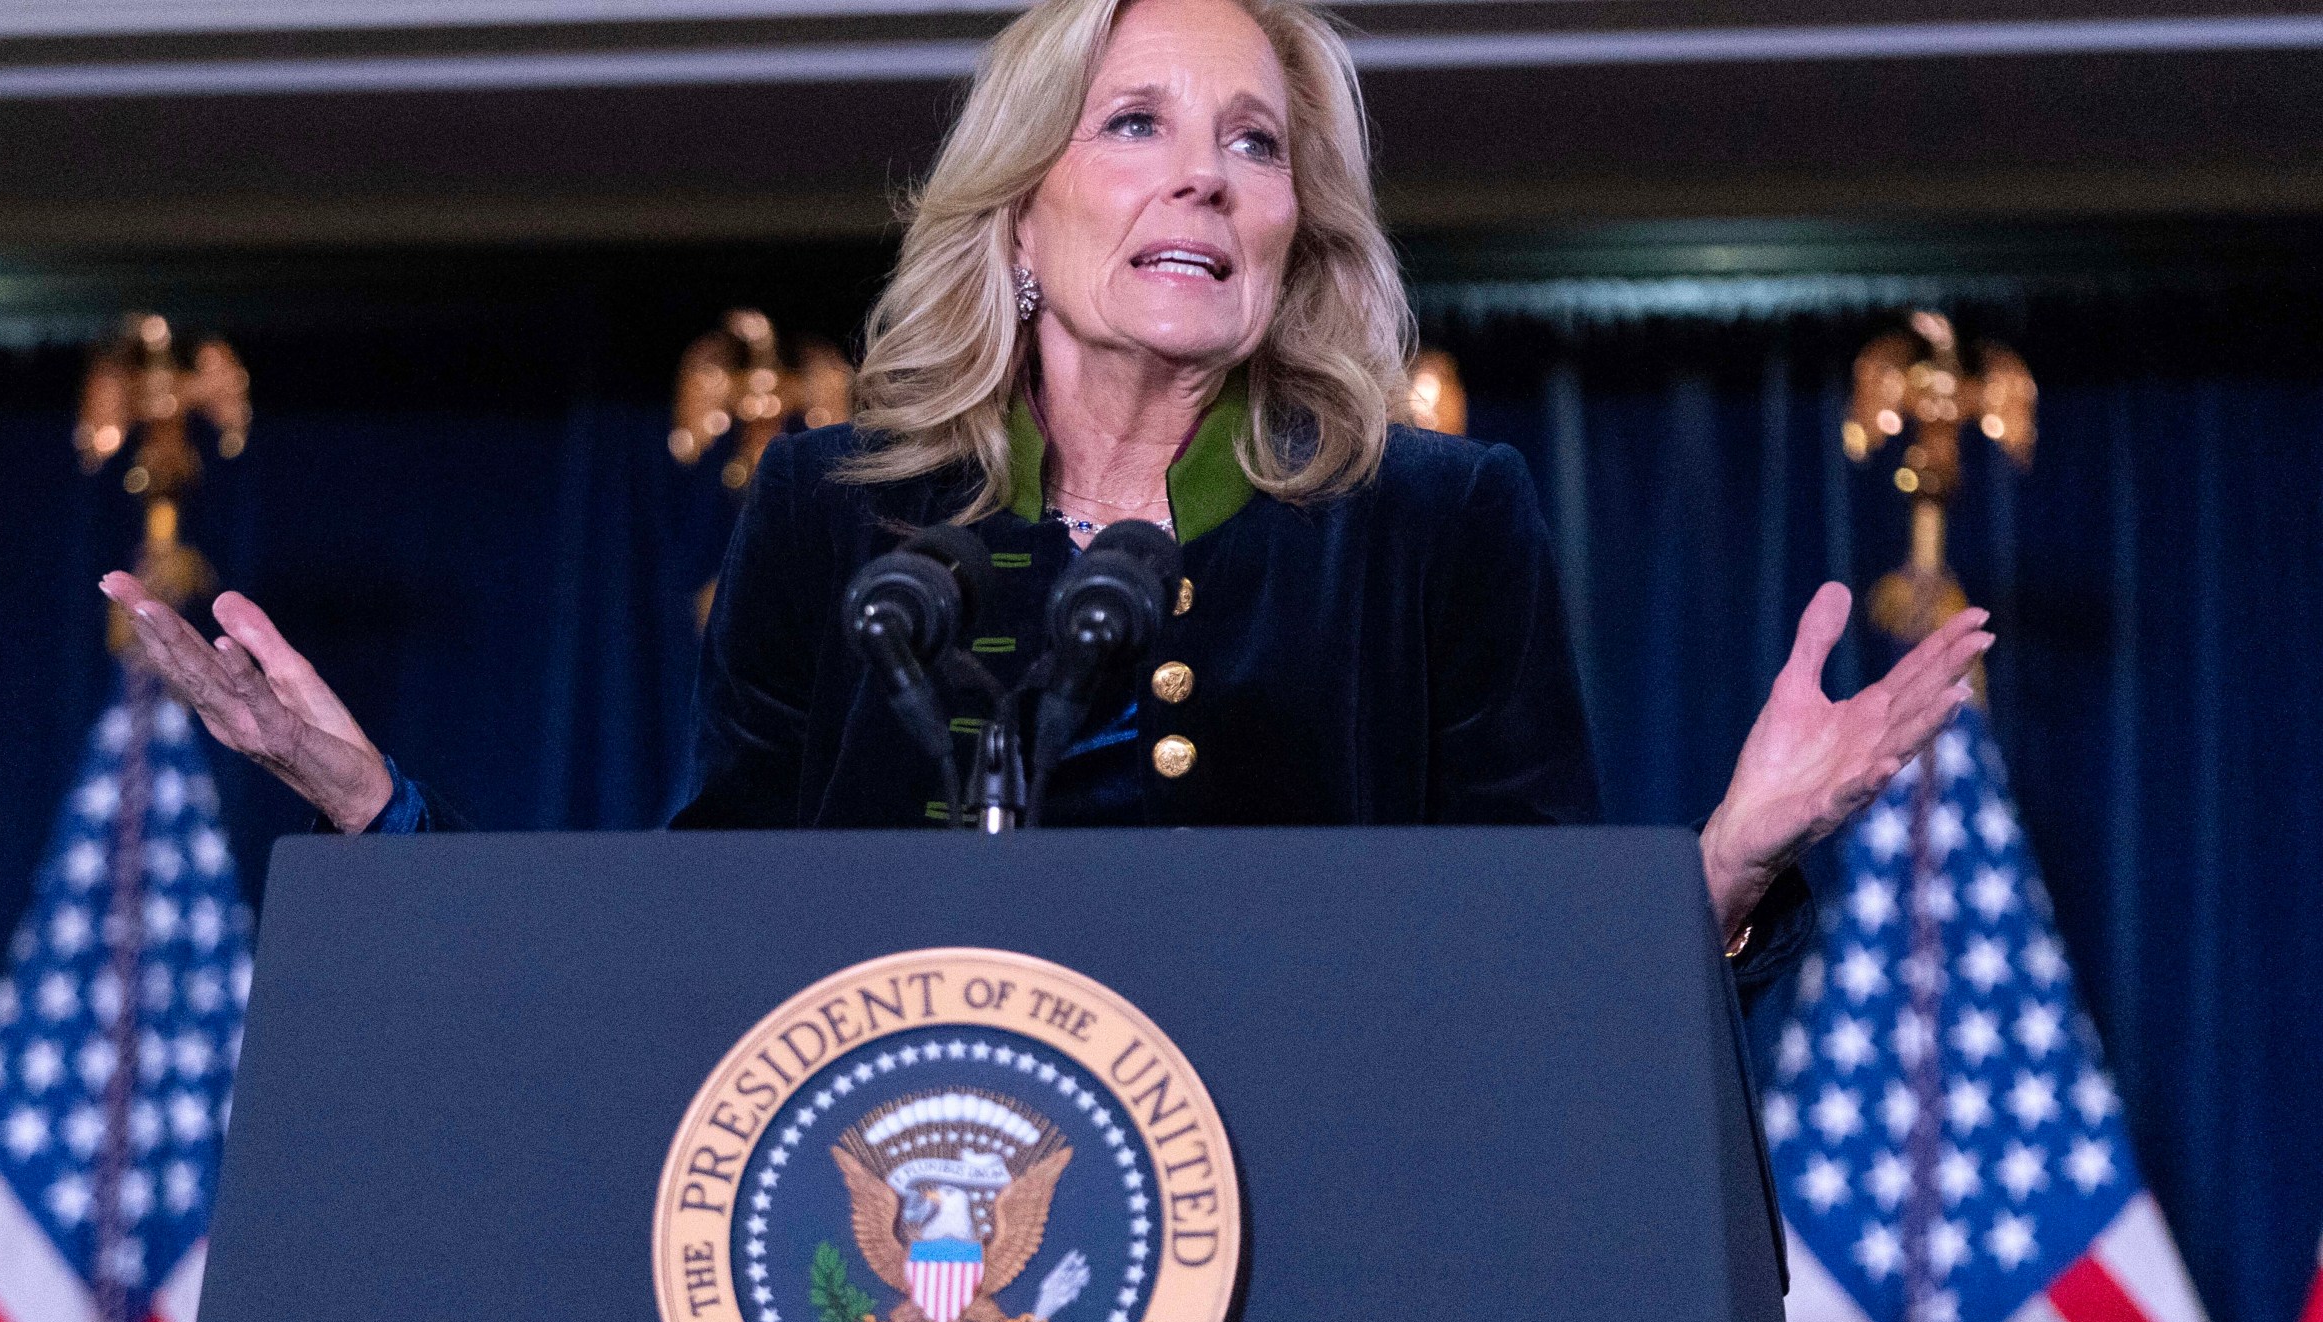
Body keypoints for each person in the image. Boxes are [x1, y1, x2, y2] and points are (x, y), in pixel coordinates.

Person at [103, 0, 1990, 981]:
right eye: (1141, 126)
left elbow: (1531, 979)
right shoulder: (836, 515)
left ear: (1295, 232)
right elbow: (687, 959)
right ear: (1020, 211)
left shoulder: (1437, 522)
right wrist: (377, 814)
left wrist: (1730, 866)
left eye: (1256, 146)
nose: (1208, 178)